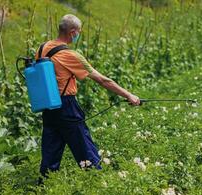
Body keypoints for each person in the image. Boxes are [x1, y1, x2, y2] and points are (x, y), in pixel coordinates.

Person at [36, 14, 140, 177]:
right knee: (85, 150)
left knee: (50, 153)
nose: (78, 35)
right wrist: (129, 95)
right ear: (72, 32)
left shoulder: (43, 48)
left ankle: (43, 187)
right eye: (78, 32)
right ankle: (96, 181)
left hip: (48, 106)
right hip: (66, 106)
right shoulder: (70, 55)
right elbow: (102, 80)